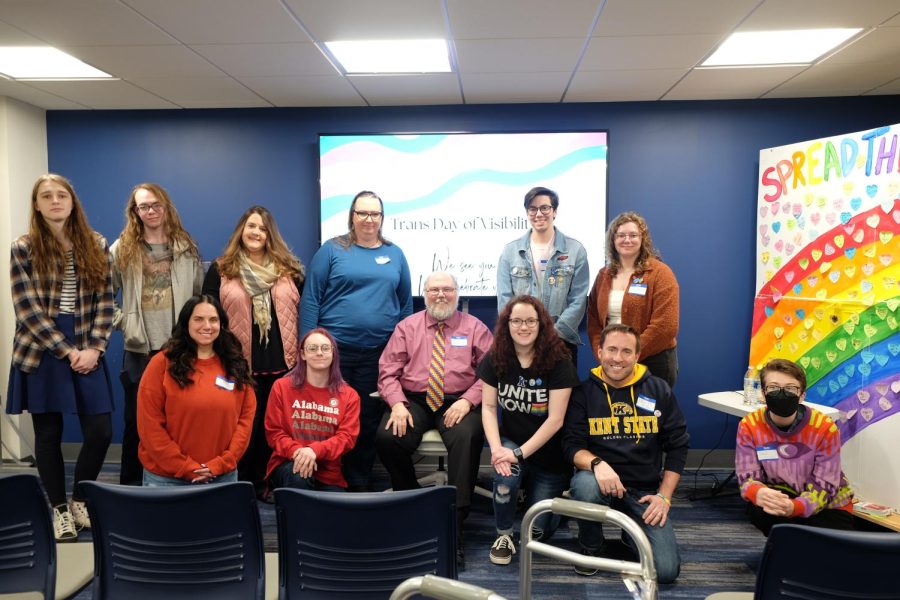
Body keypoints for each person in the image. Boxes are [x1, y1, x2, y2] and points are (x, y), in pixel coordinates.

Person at [7, 173, 115, 541]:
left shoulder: (96, 243)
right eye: (46, 196)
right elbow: (28, 310)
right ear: (36, 205)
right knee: (49, 433)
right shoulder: (23, 247)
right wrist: (68, 351)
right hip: (43, 349)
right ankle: (58, 509)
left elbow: (106, 300)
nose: (55, 201)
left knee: (100, 431)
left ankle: (79, 498)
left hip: (88, 345)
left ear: (72, 202)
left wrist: (95, 348)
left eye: (62, 195)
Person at [376, 272, 492, 566]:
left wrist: (468, 400)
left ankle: (454, 525)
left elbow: (492, 373)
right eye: (434, 290)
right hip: (414, 400)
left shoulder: (475, 327)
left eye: (447, 289)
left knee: (467, 436)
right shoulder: (407, 327)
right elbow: (387, 372)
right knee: (388, 437)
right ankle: (413, 502)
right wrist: (398, 405)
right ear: (424, 294)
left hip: (458, 400)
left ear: (457, 292)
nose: (441, 295)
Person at [301, 190, 412, 491]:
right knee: (327, 416)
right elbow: (311, 299)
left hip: (378, 354)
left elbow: (404, 307)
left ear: (382, 217)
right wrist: (307, 347)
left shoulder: (396, 254)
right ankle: (325, 477)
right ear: (351, 215)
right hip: (333, 353)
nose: (368, 219)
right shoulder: (332, 250)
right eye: (362, 213)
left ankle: (358, 479)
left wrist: (404, 353)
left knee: (366, 418)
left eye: (374, 213)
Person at [562, 323, 689, 583]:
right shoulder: (583, 393)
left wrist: (664, 497)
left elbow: (678, 445)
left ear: (637, 355)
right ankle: (592, 546)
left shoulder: (658, 389)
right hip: (599, 483)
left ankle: (630, 535)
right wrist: (597, 464)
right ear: (599, 352)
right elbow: (571, 446)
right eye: (611, 349)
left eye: (626, 351)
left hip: (643, 492)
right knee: (584, 485)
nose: (617, 358)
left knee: (665, 571)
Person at [202, 205, 303, 497]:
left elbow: (301, 313)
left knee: (275, 427)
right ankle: (244, 481)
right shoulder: (222, 269)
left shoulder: (290, 270)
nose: (256, 233)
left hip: (283, 363)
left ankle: (269, 482)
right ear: (241, 231)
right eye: (251, 227)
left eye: (262, 228)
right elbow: (210, 314)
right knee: (245, 425)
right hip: (239, 362)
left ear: (270, 234)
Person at [110, 182, 203, 486]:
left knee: (178, 423)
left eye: (156, 205)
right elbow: (102, 296)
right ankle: (130, 490)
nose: (150, 211)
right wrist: (126, 323)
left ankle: (172, 483)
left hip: (179, 348)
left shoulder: (185, 248)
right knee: (135, 425)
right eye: (143, 206)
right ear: (134, 212)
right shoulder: (121, 249)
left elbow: (198, 295)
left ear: (166, 207)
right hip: (140, 350)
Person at [478, 295, 578, 566]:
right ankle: (503, 535)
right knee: (504, 477)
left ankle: (556, 505)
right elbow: (488, 407)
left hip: (550, 453)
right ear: (507, 324)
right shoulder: (496, 357)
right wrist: (499, 449)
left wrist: (519, 454)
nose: (524, 327)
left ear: (541, 324)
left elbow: (555, 420)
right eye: (517, 321)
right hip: (512, 441)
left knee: (537, 534)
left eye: (530, 321)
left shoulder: (559, 361)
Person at [137, 295, 255, 486]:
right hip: (167, 478)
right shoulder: (161, 363)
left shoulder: (235, 364)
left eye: (213, 320)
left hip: (221, 476)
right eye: (198, 319)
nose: (207, 326)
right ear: (186, 323)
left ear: (222, 324)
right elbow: (149, 426)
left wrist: (221, 463)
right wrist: (185, 467)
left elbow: (245, 420)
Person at [736, 358, 854, 535]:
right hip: (782, 494)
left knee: (824, 542)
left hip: (827, 504)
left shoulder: (824, 427)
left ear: (802, 395)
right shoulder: (749, 425)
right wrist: (758, 493)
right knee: (760, 511)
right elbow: (747, 477)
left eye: (791, 388)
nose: (782, 394)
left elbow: (826, 484)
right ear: (763, 392)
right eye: (774, 387)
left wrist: (796, 507)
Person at [497, 186, 589, 364]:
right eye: (532, 209)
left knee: (561, 392)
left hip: (561, 342)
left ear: (554, 211)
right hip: (521, 342)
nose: (538, 214)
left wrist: (553, 333)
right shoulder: (510, 251)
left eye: (544, 208)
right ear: (527, 212)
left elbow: (578, 300)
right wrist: (523, 332)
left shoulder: (575, 250)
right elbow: (504, 299)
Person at [587, 212, 679, 387]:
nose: (626, 240)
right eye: (621, 235)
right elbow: (593, 318)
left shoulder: (660, 273)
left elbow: (666, 326)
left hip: (652, 363)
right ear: (613, 240)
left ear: (642, 239)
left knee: (647, 414)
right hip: (612, 364)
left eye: (633, 235)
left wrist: (628, 354)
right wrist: (604, 352)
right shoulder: (604, 275)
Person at [265, 328, 360, 492]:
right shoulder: (282, 387)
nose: (319, 353)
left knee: (337, 515)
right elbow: (274, 432)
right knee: (299, 476)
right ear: (302, 354)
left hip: (328, 472)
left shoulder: (349, 395)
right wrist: (298, 452)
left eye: (325, 348)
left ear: (333, 354)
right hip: (288, 463)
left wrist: (314, 451)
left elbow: (346, 438)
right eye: (312, 348)